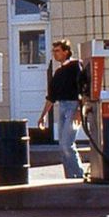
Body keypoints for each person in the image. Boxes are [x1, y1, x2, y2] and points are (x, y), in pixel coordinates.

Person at [37, 39, 87, 179]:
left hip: (73, 107)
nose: (55, 54)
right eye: (53, 51)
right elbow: (51, 96)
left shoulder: (76, 66)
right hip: (63, 107)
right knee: (62, 145)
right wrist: (43, 116)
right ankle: (70, 177)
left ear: (66, 52)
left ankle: (78, 174)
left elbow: (83, 88)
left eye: (57, 51)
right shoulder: (58, 72)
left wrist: (79, 110)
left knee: (67, 144)